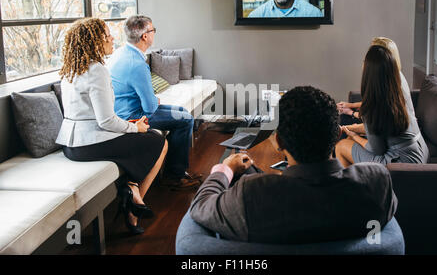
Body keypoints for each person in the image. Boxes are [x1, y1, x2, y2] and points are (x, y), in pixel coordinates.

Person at [189, 86, 397, 244]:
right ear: (338, 134)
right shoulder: (377, 182)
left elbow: (200, 207)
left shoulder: (252, 195)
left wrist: (226, 169)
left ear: (279, 141)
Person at [56, 17, 168, 235]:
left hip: (71, 146)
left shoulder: (70, 69)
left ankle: (130, 191)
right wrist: (136, 128)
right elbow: (106, 121)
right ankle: (134, 203)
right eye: (107, 35)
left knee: (137, 142)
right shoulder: (97, 69)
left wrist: (130, 124)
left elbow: (89, 117)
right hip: (90, 144)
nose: (112, 38)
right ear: (94, 41)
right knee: (158, 141)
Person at [107, 15, 201, 190]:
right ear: (144, 36)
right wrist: (153, 99)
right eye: (153, 30)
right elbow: (150, 107)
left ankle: (175, 169)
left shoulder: (122, 52)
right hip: (133, 116)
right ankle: (174, 176)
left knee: (181, 111)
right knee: (185, 120)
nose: (154, 33)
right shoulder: (136, 63)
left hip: (125, 109)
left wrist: (152, 99)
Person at [335, 45, 429, 166]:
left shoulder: (373, 107)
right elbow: (378, 129)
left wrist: (354, 136)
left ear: (369, 73)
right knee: (349, 140)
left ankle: (348, 183)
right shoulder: (398, 94)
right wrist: (350, 129)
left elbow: (377, 150)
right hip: (420, 153)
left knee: (341, 146)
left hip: (402, 164)